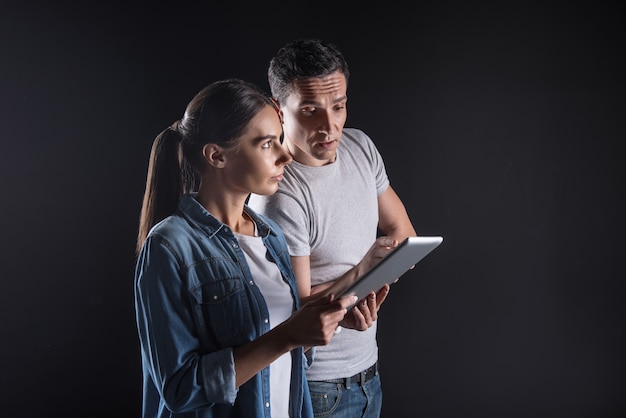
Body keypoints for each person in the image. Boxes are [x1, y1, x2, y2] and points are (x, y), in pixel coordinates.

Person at [134, 78, 371, 418]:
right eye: (266, 144)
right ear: (217, 156)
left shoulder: (270, 235)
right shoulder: (169, 247)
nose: (285, 154)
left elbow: (281, 349)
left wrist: (323, 322)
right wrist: (288, 336)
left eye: (280, 139)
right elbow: (180, 389)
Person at [248, 39, 417, 417]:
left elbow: (403, 234)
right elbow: (290, 309)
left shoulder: (361, 147)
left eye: (338, 106)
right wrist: (360, 281)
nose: (331, 126)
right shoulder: (279, 192)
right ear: (279, 110)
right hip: (315, 385)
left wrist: (362, 288)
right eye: (311, 111)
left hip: (367, 370)